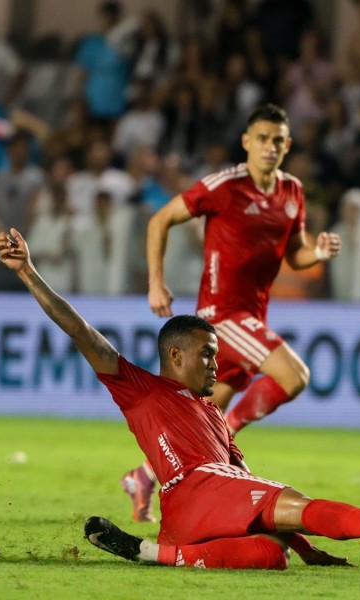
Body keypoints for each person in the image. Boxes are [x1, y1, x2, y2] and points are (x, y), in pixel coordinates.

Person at [0, 228, 360, 570]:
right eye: (208, 355)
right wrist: (28, 272)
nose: (217, 365)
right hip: (197, 488)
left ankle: (150, 552)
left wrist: (309, 553)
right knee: (292, 499)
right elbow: (79, 329)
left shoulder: (214, 413)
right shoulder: (140, 388)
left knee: (270, 553)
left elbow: (247, 485)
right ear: (175, 354)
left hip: (186, 519)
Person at [123, 103, 342, 522]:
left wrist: (318, 251)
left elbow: (296, 256)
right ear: (246, 141)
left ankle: (143, 477)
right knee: (295, 376)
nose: (269, 147)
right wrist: (156, 281)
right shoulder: (225, 185)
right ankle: (227, 438)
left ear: (287, 145)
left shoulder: (292, 192)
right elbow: (160, 219)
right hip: (222, 315)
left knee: (205, 419)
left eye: (278, 140)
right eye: (261, 138)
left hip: (252, 316)